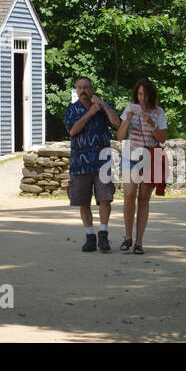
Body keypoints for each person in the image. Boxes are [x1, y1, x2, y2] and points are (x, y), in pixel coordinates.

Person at [64, 77, 121, 253]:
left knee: (105, 198)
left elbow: (117, 123)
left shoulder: (103, 108)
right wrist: (90, 113)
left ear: (92, 89)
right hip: (80, 163)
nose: (83, 91)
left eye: (86, 87)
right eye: (80, 88)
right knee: (83, 201)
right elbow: (73, 130)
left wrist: (102, 104)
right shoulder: (72, 110)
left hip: (102, 161)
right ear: (76, 90)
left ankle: (103, 234)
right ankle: (90, 236)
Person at [116, 77, 168, 255]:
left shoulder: (159, 112)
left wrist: (151, 124)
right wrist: (127, 120)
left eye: (145, 95)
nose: (142, 99)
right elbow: (120, 137)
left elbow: (162, 138)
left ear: (151, 95)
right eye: (139, 94)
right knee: (129, 194)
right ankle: (127, 237)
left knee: (144, 199)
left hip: (150, 156)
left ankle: (139, 242)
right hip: (131, 155)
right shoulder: (130, 109)